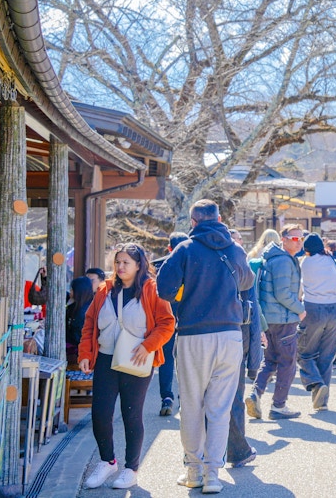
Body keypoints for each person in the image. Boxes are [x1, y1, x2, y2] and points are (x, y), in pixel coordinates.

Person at [157, 199, 254, 494]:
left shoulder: (185, 249)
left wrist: (186, 295)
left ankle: (194, 470)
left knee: (192, 405)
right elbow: (247, 281)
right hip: (230, 334)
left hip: (194, 334)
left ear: (193, 221)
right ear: (220, 218)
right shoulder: (235, 249)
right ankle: (214, 474)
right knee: (220, 408)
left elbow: (164, 288)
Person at [78, 242, 175, 490]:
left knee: (132, 414)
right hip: (106, 358)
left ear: (139, 265)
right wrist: (85, 353)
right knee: (100, 413)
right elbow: (90, 323)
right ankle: (107, 461)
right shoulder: (104, 290)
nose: (120, 267)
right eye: (117, 262)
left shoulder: (152, 289)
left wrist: (148, 346)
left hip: (137, 359)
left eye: (126, 262)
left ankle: (131, 469)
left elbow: (167, 323)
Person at [245, 224, 306, 421]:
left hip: (270, 318)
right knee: (287, 363)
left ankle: (255, 394)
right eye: (295, 238)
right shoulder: (283, 260)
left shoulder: (274, 257)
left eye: (301, 238)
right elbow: (283, 294)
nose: (299, 242)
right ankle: (278, 405)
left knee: (270, 360)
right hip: (283, 318)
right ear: (284, 238)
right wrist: (300, 309)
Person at [298, 233, 336, 411]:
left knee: (303, 353)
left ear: (306, 250)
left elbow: (298, 289)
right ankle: (321, 401)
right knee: (327, 355)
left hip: (312, 309)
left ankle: (315, 382)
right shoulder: (334, 262)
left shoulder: (304, 263)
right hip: (335, 310)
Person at [226, 229, 261, 468]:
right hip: (237, 336)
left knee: (204, 398)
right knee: (233, 397)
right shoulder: (243, 269)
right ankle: (237, 450)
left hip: (200, 336)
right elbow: (253, 311)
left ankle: (202, 456)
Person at [151, 231, 189, 416]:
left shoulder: (158, 265)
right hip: (188, 318)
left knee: (165, 358)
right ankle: (186, 398)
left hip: (165, 318)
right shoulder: (194, 264)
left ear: (169, 247)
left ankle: (166, 397)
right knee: (185, 359)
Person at [66, 276, 94, 364]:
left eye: (72, 289)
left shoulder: (83, 312)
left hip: (78, 353)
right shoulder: (76, 305)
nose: (70, 292)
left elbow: (78, 336)